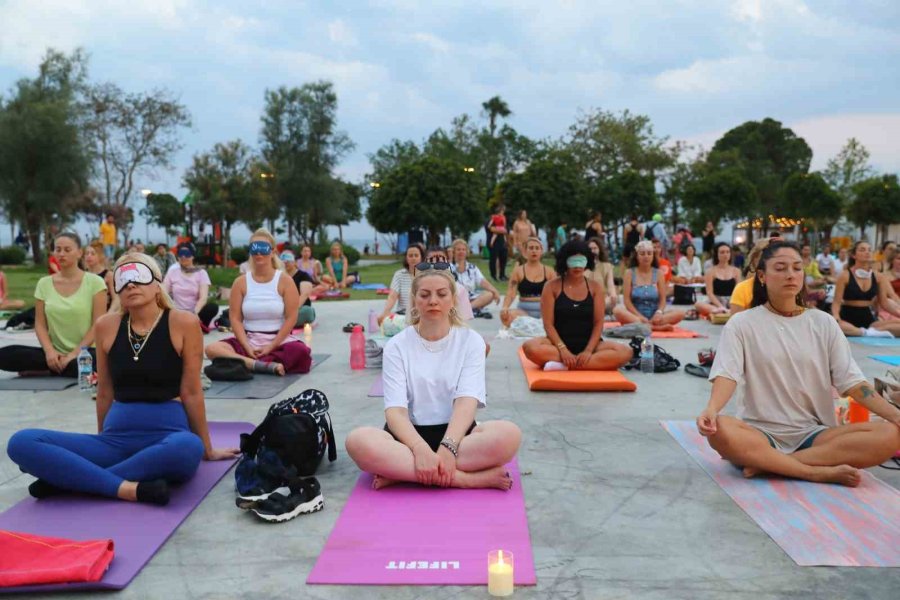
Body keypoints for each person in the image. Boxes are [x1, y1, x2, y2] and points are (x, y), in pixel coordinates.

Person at [6, 253, 239, 504]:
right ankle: (126, 488)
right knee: (22, 442)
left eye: (138, 276)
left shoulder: (183, 322)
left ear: (157, 283)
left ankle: (71, 482)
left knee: (188, 448)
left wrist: (207, 449)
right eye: (122, 279)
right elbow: (104, 391)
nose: (130, 284)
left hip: (167, 437)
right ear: (116, 288)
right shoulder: (106, 325)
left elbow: (192, 392)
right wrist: (100, 439)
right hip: (114, 441)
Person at [696, 240, 900, 487]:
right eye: (780, 268)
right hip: (760, 433)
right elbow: (726, 374)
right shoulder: (742, 324)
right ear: (762, 275)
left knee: (890, 434)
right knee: (719, 428)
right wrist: (711, 408)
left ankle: (769, 464)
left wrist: (895, 415)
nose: (790, 275)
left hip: (816, 434)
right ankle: (811, 472)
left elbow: (853, 383)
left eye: (796, 268)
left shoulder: (823, 323)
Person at [344, 269, 522, 491]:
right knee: (357, 441)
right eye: (425, 295)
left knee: (509, 435)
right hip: (407, 440)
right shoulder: (396, 346)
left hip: (458, 438)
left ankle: (404, 474)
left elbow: (466, 402)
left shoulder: (471, 341)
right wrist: (419, 449)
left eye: (441, 294)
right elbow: (395, 412)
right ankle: (464, 479)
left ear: (453, 300)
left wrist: (448, 448)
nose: (433, 301)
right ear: (415, 301)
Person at [204, 229, 311, 376]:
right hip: (249, 340)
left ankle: (246, 363)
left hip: (278, 340)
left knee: (301, 353)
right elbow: (235, 318)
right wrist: (246, 346)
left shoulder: (285, 281)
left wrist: (271, 346)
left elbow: (291, 318)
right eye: (254, 248)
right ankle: (257, 365)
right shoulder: (240, 282)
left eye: (263, 248)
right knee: (212, 349)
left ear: (273, 251)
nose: (258, 253)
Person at [0, 233, 106, 377]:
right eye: (58, 249)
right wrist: (50, 352)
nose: (61, 254)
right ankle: (57, 366)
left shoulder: (95, 282)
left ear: (79, 253)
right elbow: (40, 325)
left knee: (95, 363)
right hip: (53, 353)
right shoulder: (44, 283)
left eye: (67, 250)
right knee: (6, 355)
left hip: (87, 352)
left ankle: (49, 369)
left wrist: (74, 354)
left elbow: (98, 324)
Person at [522, 240, 632, 370]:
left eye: (581, 261)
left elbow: (598, 323)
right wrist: (563, 349)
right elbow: (548, 324)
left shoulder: (595, 287)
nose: (577, 266)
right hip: (557, 344)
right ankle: (582, 364)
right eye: (573, 261)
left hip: (590, 344)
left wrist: (588, 351)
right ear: (564, 262)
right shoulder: (551, 287)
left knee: (626, 352)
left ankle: (565, 365)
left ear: (587, 262)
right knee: (530, 347)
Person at [831, 241, 900, 337]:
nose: (867, 252)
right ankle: (865, 333)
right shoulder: (845, 275)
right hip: (847, 318)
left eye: (869, 250)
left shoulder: (879, 277)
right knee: (835, 325)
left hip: (869, 319)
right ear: (854, 255)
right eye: (862, 250)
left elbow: (884, 303)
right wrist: (836, 317)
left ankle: (864, 332)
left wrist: (898, 314)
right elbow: (836, 303)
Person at [613, 240, 684, 331]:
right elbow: (627, 301)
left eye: (649, 253)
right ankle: (653, 327)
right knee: (617, 311)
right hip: (635, 315)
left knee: (680, 313)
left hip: (655, 317)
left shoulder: (658, 273)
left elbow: (662, 299)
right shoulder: (629, 273)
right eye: (642, 254)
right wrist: (639, 316)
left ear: (653, 256)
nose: (646, 256)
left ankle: (646, 326)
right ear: (637, 256)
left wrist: (659, 313)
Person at [500, 237, 557, 327]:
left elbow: (556, 293)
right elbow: (511, 293)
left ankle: (536, 325)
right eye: (531, 248)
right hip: (523, 311)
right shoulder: (518, 271)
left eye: (537, 248)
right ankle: (537, 325)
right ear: (525, 252)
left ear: (541, 251)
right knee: (506, 317)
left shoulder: (549, 271)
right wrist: (505, 307)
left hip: (544, 310)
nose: (534, 251)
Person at [163, 243, 220, 330]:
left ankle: (197, 326)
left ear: (193, 256)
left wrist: (195, 312)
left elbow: (203, 297)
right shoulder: (172, 272)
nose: (183, 257)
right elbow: (163, 292)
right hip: (177, 312)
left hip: (195, 311)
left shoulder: (201, 273)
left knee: (212, 307)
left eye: (187, 254)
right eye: (180, 254)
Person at [451, 239, 501, 315]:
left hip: (471, 298)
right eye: (458, 249)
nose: (461, 252)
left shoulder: (472, 267)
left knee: (490, 294)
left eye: (463, 249)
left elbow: (482, 282)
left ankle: (467, 309)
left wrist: (495, 291)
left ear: (467, 252)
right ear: (454, 252)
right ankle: (473, 308)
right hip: (455, 298)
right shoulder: (448, 267)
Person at [378, 243, 424, 326]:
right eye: (410, 255)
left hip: (423, 315)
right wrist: (385, 312)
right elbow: (392, 296)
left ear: (421, 258)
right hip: (403, 316)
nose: (413, 258)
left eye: (416, 255)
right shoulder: (399, 275)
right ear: (406, 258)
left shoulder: (427, 275)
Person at [695, 242, 742, 317]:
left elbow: (738, 291)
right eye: (722, 252)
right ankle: (723, 311)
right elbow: (709, 293)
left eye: (727, 252)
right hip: (715, 301)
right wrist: (721, 306)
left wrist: (732, 304)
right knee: (698, 305)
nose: (725, 254)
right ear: (717, 255)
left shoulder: (736, 271)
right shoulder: (710, 271)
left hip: (732, 300)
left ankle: (727, 312)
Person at [729, 238, 773, 315]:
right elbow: (736, 324)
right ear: (753, 261)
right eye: (763, 258)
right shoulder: (743, 288)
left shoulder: (790, 288)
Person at [281, 250, 320, 327]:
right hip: (280, 310)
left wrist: (290, 311)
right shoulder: (278, 276)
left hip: (299, 309)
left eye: (288, 260)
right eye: (283, 261)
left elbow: (304, 295)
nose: (285, 263)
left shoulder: (303, 275)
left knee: (307, 311)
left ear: (295, 262)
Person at [586, 237, 616, 315]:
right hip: (585, 300)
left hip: (603, 300)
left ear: (599, 249)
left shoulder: (607, 266)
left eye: (595, 248)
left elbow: (610, 285)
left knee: (610, 300)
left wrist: (613, 295)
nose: (592, 251)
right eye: (590, 249)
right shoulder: (581, 267)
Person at [84, 240, 115, 309]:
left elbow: (115, 299)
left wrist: (109, 315)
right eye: (87, 253)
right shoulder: (83, 275)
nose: (89, 256)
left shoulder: (109, 275)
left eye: (93, 254)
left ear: (100, 256)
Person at [487, 204, 509, 281]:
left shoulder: (503, 218)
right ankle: (493, 275)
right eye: (502, 210)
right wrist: (500, 230)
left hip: (502, 241)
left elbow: (506, 229)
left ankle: (502, 275)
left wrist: (504, 233)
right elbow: (490, 228)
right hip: (494, 243)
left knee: (503, 258)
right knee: (493, 259)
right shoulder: (492, 218)